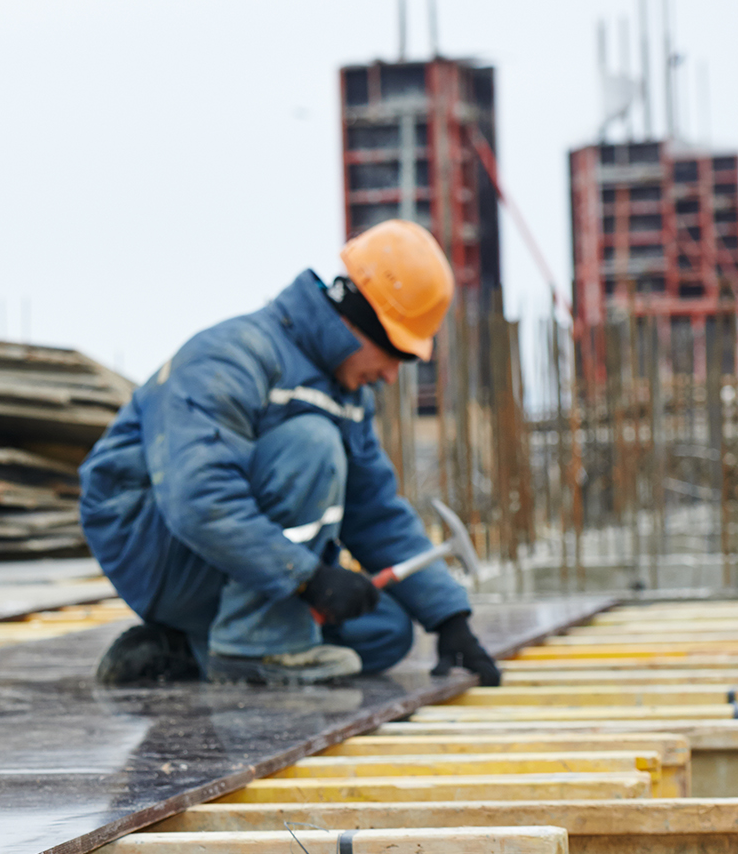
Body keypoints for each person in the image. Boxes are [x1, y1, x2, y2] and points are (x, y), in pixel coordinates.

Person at [79, 219, 500, 688]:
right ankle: (256, 648)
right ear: (359, 321)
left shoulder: (343, 393)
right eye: (396, 354)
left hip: (236, 560)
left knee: (385, 631)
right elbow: (198, 502)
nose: (389, 376)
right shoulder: (231, 358)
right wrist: (308, 578)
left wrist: (447, 617)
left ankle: (185, 649)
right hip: (159, 551)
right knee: (312, 444)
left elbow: (374, 512)